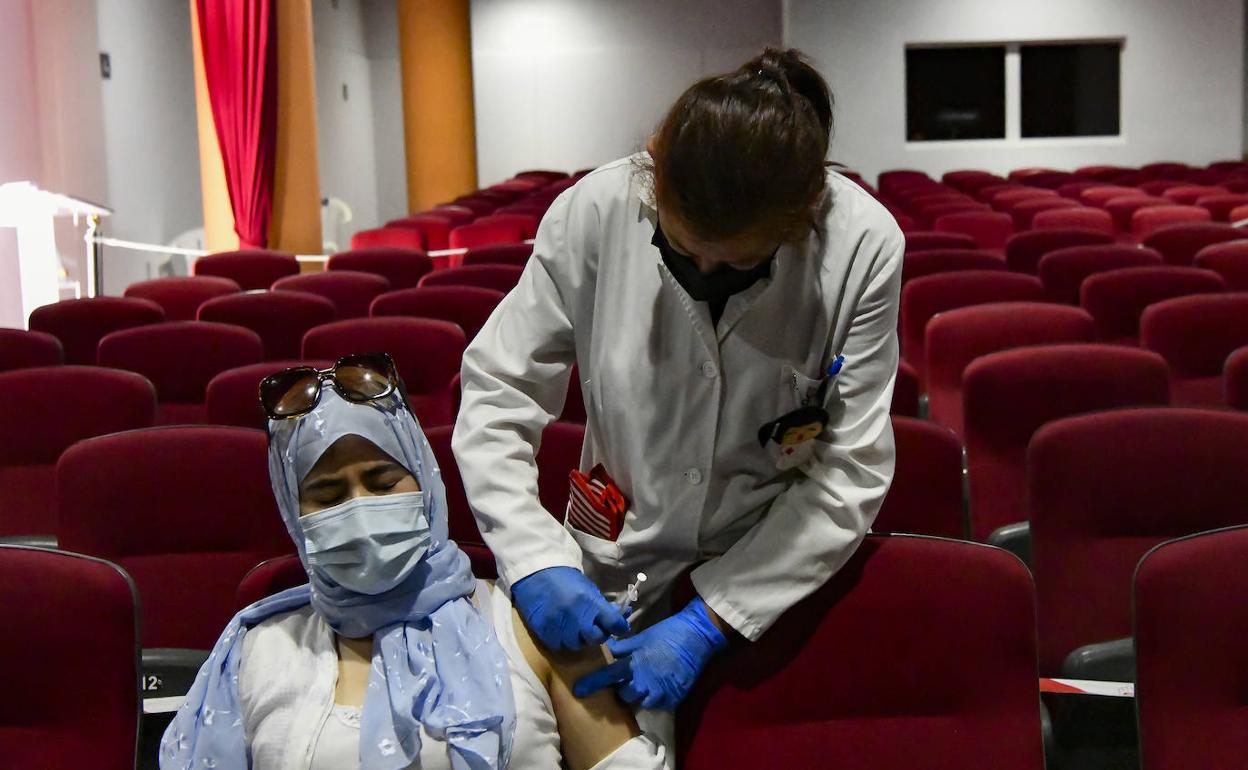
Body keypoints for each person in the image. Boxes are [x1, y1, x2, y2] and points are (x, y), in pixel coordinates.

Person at [453, 47, 903, 709]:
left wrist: (711, 620)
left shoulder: (861, 245)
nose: (705, 279)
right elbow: (500, 390)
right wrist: (532, 555)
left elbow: (849, 466)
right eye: (683, 252)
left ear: (803, 218)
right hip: (613, 561)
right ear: (654, 174)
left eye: (737, 267)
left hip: (770, 567)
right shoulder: (596, 212)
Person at [160, 352, 668, 769]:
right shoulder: (261, 651)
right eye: (329, 496)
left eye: (382, 483)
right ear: (295, 513)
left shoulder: (532, 627)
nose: (360, 508)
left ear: (425, 484)